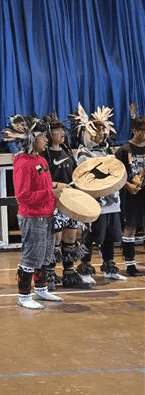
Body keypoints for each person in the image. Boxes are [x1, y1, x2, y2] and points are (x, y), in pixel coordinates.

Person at [3, 115, 67, 309]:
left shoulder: (40, 159)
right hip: (32, 217)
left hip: (46, 214)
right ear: (31, 140)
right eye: (42, 136)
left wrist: (58, 187)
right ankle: (23, 295)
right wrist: (51, 192)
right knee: (31, 256)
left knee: (45, 255)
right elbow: (22, 196)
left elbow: (44, 185)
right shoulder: (23, 163)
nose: (47, 139)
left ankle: (41, 289)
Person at [72, 104, 126, 284]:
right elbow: (87, 176)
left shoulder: (108, 150)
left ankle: (109, 266)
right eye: (100, 130)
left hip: (112, 201)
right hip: (95, 203)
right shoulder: (84, 152)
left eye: (105, 130)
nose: (104, 133)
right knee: (91, 238)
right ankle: (84, 268)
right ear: (90, 132)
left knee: (110, 236)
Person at [41, 113, 88, 290]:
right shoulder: (44, 156)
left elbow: (75, 176)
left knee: (70, 236)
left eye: (62, 130)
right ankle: (50, 275)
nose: (61, 133)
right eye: (56, 130)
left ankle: (69, 274)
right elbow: (41, 181)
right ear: (48, 134)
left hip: (70, 201)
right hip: (54, 202)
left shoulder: (67, 152)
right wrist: (57, 186)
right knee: (56, 238)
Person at [115, 112, 145, 276]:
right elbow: (116, 174)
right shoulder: (124, 150)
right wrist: (128, 185)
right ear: (134, 130)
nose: (144, 134)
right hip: (131, 194)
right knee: (130, 228)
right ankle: (130, 264)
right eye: (141, 130)